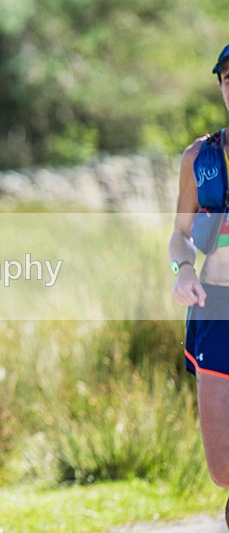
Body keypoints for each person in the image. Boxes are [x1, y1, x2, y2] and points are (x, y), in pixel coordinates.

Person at [170, 43, 229, 526]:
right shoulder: (199, 156)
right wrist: (184, 270)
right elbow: (180, 235)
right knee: (223, 469)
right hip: (216, 309)